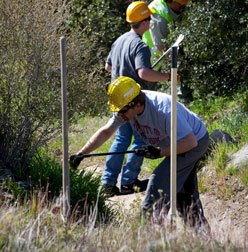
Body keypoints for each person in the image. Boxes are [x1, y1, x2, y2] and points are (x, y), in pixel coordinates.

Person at [70, 76, 210, 229]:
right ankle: (202, 237)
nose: (120, 114)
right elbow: (105, 132)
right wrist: (81, 153)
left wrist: (160, 152)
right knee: (183, 193)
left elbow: (190, 142)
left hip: (194, 142)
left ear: (136, 104)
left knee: (159, 183)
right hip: (176, 143)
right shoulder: (127, 108)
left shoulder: (163, 109)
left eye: (122, 110)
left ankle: (150, 230)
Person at [76, 1, 171, 197]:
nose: (151, 22)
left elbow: (108, 67)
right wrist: (168, 76)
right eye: (149, 19)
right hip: (134, 102)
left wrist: (122, 71)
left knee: (120, 139)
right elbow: (144, 73)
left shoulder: (119, 40)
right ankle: (129, 182)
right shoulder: (140, 45)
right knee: (139, 139)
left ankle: (107, 184)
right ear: (143, 22)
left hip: (117, 98)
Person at [142, 0, 193, 101]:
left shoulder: (168, 3)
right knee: (148, 90)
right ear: (172, 1)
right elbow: (160, 46)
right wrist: (176, 60)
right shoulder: (159, 17)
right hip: (151, 57)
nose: (183, 7)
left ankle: (185, 95)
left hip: (160, 50)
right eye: (181, 4)